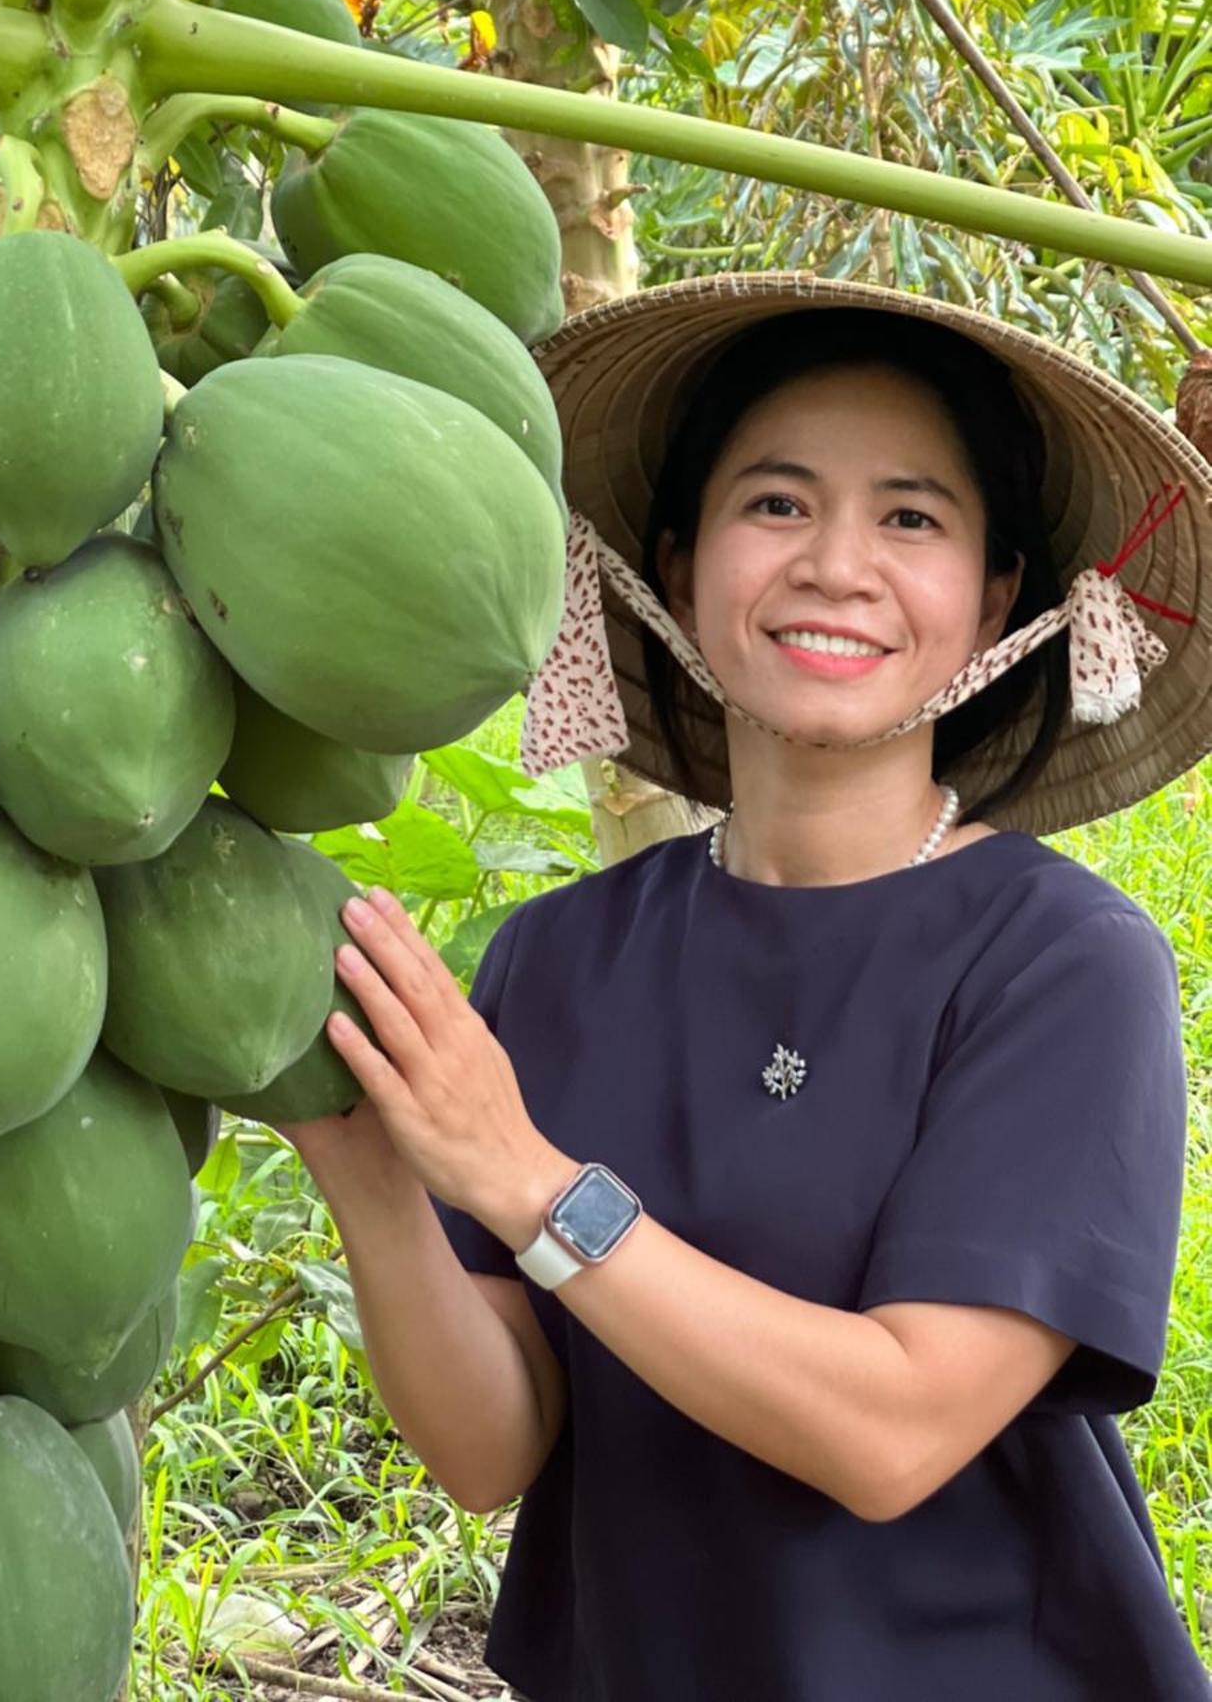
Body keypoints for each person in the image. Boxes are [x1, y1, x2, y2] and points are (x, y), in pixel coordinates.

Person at [276, 272, 1212, 1701]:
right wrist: (374, 1179)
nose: (838, 564)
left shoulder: (1064, 965)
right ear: (675, 560)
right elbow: (490, 1450)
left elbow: (893, 1432)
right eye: (776, 505)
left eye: (913, 518)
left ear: (999, 598)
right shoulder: (561, 955)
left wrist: (531, 1182)